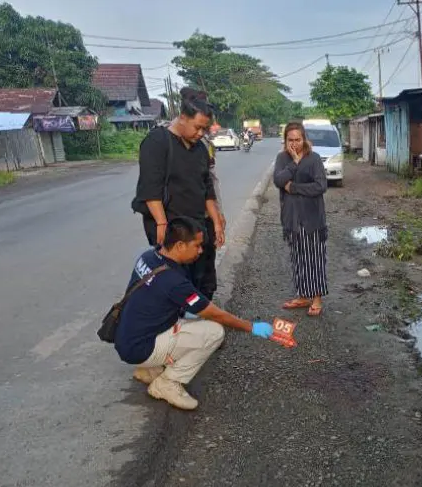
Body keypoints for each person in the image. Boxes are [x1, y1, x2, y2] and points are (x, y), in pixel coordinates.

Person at [115, 217, 274, 410]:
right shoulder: (173, 281)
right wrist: (252, 327)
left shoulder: (149, 256)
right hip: (141, 347)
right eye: (197, 245)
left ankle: (149, 369)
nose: (200, 251)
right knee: (214, 332)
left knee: (190, 317)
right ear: (180, 245)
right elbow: (216, 314)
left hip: (128, 338)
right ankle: (168, 383)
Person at [133, 87, 224, 302]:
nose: (201, 133)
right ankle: (176, 324)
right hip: (173, 227)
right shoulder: (157, 142)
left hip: (198, 225)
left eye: (205, 129)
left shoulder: (199, 148)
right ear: (183, 118)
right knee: (175, 279)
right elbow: (150, 187)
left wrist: (217, 221)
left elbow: (206, 187)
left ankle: (200, 316)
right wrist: (162, 224)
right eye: (198, 127)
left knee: (203, 275)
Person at [273, 122, 328, 317]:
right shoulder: (282, 158)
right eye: (290, 140)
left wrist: (294, 188)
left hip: (312, 219)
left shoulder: (314, 159)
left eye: (298, 139)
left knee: (314, 258)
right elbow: (278, 181)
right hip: (291, 219)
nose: (294, 144)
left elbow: (320, 186)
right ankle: (303, 295)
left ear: (304, 139)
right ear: (285, 141)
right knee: (298, 259)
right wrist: (294, 163)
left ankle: (317, 298)